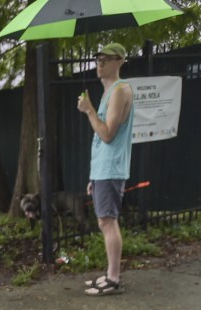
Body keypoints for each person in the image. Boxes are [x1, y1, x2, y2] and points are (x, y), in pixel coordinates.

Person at [76, 43, 135, 295]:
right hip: (102, 169)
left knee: (108, 222)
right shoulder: (108, 91)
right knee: (104, 221)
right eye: (98, 58)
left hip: (111, 167)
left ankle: (113, 279)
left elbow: (108, 134)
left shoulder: (120, 90)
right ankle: (110, 275)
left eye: (106, 59)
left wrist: (89, 110)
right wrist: (93, 175)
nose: (100, 63)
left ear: (120, 61)